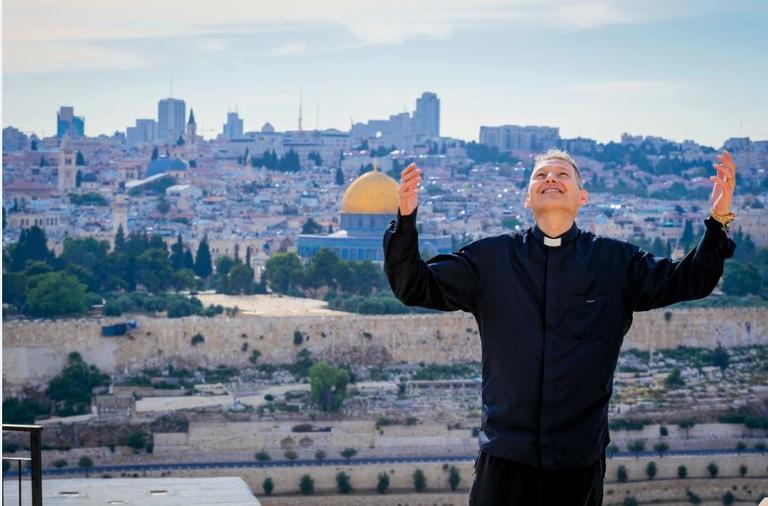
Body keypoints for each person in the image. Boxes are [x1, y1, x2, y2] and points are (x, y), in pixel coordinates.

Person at [382, 148, 737, 505]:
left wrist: (718, 220)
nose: (550, 178)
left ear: (583, 197)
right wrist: (406, 218)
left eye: (562, 174)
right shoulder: (490, 260)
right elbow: (413, 285)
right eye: (540, 175)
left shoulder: (616, 263)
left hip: (577, 463)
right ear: (527, 198)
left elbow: (690, 280)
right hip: (505, 459)